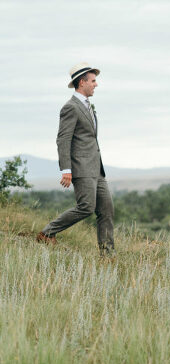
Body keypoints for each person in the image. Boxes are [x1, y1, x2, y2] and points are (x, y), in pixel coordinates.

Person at [37, 62, 114, 254]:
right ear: (82, 82)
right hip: (82, 168)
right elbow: (63, 139)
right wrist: (66, 169)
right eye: (93, 81)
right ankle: (47, 233)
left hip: (97, 169)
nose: (96, 84)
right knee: (86, 207)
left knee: (106, 210)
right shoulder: (70, 107)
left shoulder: (89, 107)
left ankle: (107, 255)